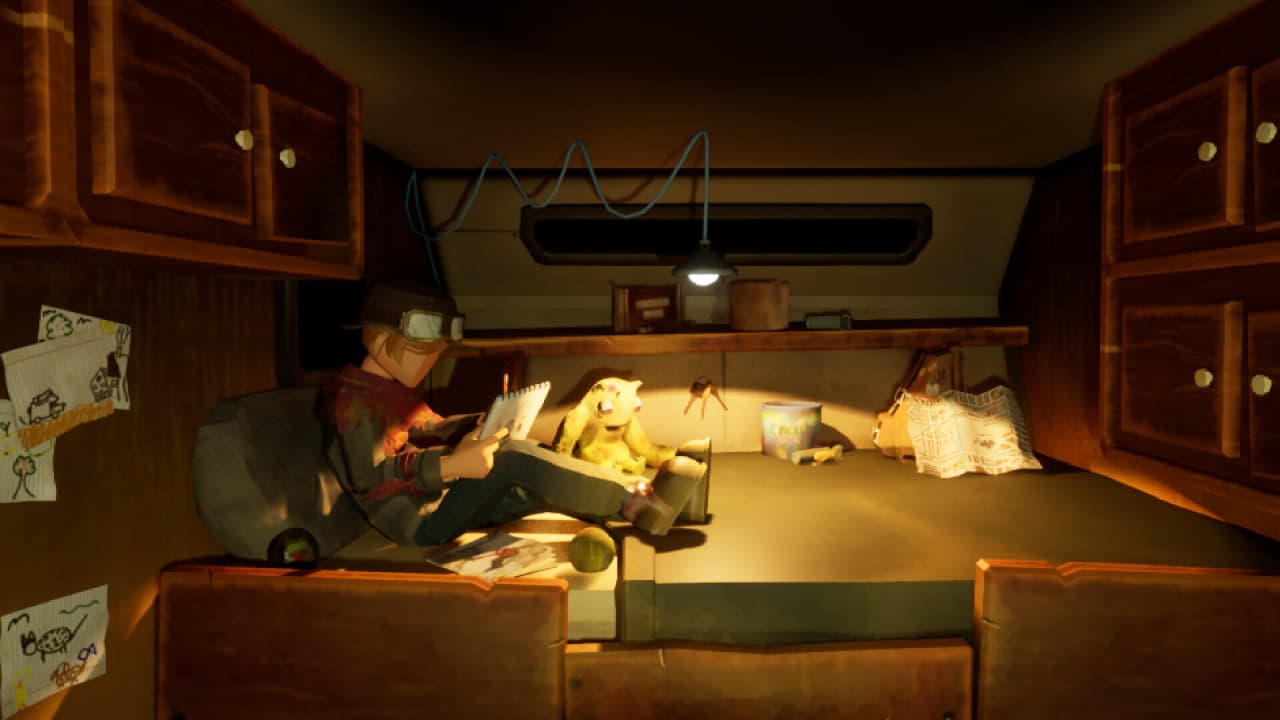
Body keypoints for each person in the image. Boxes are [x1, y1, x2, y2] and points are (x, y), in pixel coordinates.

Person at [321, 283, 708, 547]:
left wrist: (479, 423)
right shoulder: (353, 405)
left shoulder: (388, 391)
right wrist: (450, 466)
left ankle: (652, 505)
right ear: (381, 340)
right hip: (421, 522)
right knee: (514, 459)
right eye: (422, 353)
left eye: (436, 354)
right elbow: (370, 476)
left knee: (539, 473)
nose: (430, 363)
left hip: (438, 497)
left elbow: (427, 426)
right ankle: (632, 497)